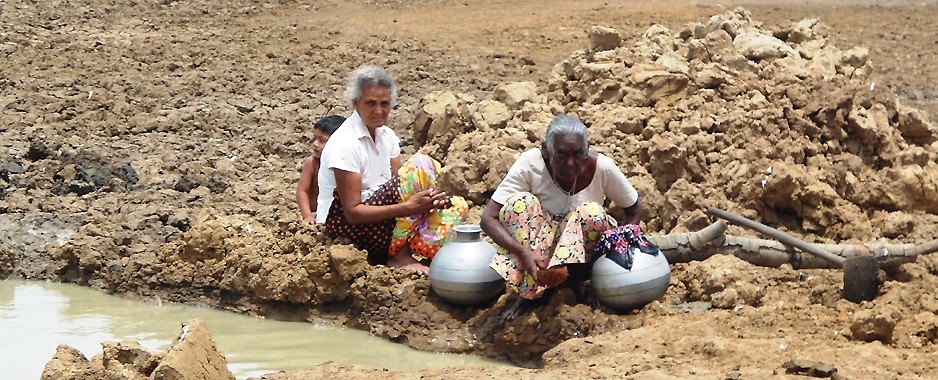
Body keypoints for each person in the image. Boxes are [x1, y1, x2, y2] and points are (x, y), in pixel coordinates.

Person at [480, 114, 647, 318]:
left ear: (586, 151)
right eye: (561, 155)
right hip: (539, 256)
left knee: (592, 213)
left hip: (585, 256)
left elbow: (634, 209)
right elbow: (488, 218)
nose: (570, 163)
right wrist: (523, 253)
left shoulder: (602, 167)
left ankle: (577, 282)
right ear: (546, 151)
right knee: (520, 204)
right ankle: (534, 291)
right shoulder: (531, 163)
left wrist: (620, 247)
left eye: (578, 154)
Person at [316, 65, 468, 274]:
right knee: (422, 166)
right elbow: (352, 213)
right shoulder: (345, 142)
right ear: (355, 104)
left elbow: (399, 186)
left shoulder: (386, 136)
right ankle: (398, 255)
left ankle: (418, 250)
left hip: (383, 221)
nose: (379, 111)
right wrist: (409, 208)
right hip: (346, 227)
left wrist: (423, 203)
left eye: (384, 104)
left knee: (456, 205)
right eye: (371, 103)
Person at [296, 115, 345, 224]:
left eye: (322, 140)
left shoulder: (345, 164)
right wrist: (307, 216)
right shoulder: (312, 163)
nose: (315, 144)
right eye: (315, 138)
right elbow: (302, 191)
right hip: (316, 215)